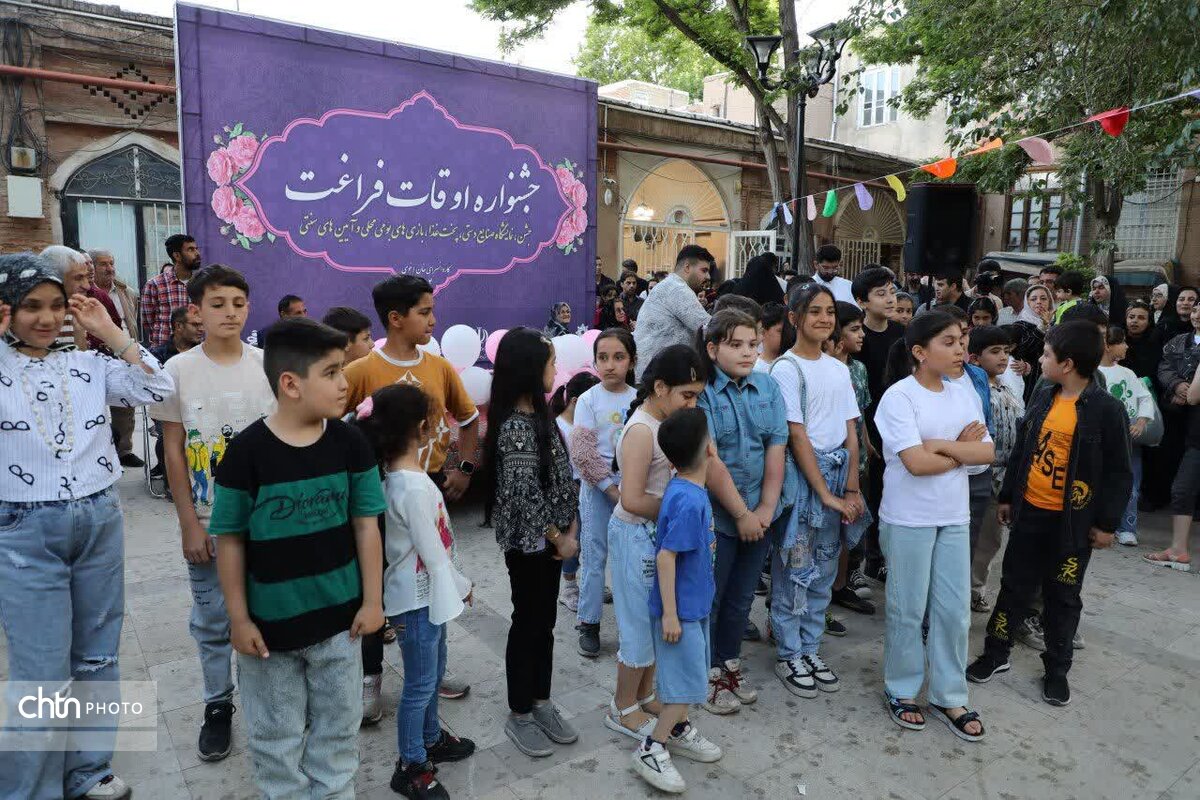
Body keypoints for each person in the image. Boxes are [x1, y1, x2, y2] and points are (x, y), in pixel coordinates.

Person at [0, 253, 174, 800]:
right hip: (24, 531)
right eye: (31, 306)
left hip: (99, 519)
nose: (47, 318)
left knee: (99, 655)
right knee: (40, 670)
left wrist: (112, 333)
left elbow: (161, 388)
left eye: (57, 306)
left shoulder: (89, 366)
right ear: (7, 310)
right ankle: (29, 789)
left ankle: (89, 771)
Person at [209, 318, 385, 798]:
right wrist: (238, 619)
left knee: (338, 735)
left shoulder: (351, 444)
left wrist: (373, 602)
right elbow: (229, 540)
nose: (345, 383)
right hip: (269, 636)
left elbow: (367, 526)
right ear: (290, 384)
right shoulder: (246, 454)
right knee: (275, 741)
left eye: (342, 369)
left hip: (341, 626)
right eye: (331, 372)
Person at [968, 321, 1132, 706]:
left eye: (1046, 354)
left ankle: (1057, 668)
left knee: (1063, 596)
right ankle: (996, 652)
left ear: (1067, 363)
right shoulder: (1044, 397)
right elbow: (1023, 450)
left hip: (1072, 526)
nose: (1039, 360)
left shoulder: (1107, 410)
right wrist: (1009, 497)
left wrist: (1107, 524)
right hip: (1030, 515)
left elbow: (1119, 472)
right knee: (1014, 586)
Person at [150, 265, 277, 763]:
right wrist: (188, 523)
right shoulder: (177, 370)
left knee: (264, 611)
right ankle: (218, 703)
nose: (230, 313)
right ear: (196, 310)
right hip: (207, 520)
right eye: (218, 304)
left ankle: (268, 702)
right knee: (211, 620)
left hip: (266, 520)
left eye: (238, 304)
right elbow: (174, 449)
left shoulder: (268, 365)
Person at [343, 275, 479, 715]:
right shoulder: (361, 370)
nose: (433, 320)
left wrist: (465, 468)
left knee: (431, 576)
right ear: (396, 318)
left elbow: (468, 420)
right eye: (425, 312)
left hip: (427, 489)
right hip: (374, 499)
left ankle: (431, 671)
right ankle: (370, 678)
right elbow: (331, 426)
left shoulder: (439, 368)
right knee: (375, 585)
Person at [355, 384, 477, 799]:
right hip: (416, 601)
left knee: (432, 672)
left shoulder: (403, 480)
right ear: (423, 428)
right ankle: (410, 764)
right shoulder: (410, 487)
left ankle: (430, 738)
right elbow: (433, 552)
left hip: (426, 597)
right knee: (421, 684)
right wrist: (460, 586)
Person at [876, 310, 992, 739]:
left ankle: (948, 693)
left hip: (954, 515)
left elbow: (986, 454)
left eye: (961, 340)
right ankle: (902, 689)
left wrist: (943, 446)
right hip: (909, 517)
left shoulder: (964, 393)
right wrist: (960, 449)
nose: (960, 349)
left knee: (954, 611)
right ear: (920, 352)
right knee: (907, 609)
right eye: (949, 342)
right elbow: (915, 464)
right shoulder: (899, 398)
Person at [482, 328, 581, 758]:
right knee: (528, 623)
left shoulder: (541, 417)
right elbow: (525, 497)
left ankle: (542, 701)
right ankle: (520, 711)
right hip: (531, 547)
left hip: (553, 544)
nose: (556, 369)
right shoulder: (515, 428)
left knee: (544, 623)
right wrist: (560, 538)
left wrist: (569, 531)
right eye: (550, 362)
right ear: (529, 368)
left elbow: (560, 480)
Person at [606, 348, 710, 749]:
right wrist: (677, 513)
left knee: (652, 623)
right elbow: (631, 498)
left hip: (656, 535)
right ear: (661, 387)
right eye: (687, 395)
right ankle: (622, 706)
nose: (692, 404)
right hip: (635, 537)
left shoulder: (667, 424)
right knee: (636, 627)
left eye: (697, 396)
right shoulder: (641, 431)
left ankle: (645, 695)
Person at [767, 286, 864, 700]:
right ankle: (789, 652)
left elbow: (851, 431)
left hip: (839, 478)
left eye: (829, 312)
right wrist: (824, 493)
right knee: (795, 569)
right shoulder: (786, 370)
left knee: (824, 567)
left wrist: (852, 487)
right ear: (794, 318)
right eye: (814, 312)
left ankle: (811, 647)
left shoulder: (838, 369)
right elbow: (796, 434)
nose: (824, 319)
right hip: (805, 484)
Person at [697, 309, 787, 714]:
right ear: (713, 348)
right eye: (736, 345)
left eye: (753, 344)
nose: (748, 352)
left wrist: (765, 508)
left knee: (742, 597)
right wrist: (741, 514)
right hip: (718, 518)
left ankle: (729, 662)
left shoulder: (768, 387)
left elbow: (776, 446)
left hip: (761, 515)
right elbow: (711, 460)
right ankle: (706, 672)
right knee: (711, 598)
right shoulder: (702, 392)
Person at [633, 407, 725, 793]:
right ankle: (652, 747)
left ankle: (678, 728)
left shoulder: (686, 489)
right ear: (709, 449)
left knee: (691, 675)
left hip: (692, 605)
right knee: (683, 685)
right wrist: (670, 614)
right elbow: (666, 556)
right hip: (681, 612)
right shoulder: (689, 500)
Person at [569, 329, 637, 658]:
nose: (610, 365)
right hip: (599, 490)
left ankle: (632, 625)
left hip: (633, 487)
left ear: (632, 361)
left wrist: (632, 488)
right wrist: (610, 489)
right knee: (595, 557)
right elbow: (583, 453)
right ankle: (589, 621)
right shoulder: (588, 399)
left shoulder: (639, 399)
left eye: (618, 357)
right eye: (603, 357)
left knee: (630, 558)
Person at [852, 266, 904, 583]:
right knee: (868, 492)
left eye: (892, 292)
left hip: (897, 423)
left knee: (890, 491)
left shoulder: (901, 333)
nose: (889, 299)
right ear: (862, 301)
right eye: (881, 294)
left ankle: (882, 556)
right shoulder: (857, 336)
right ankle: (867, 558)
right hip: (866, 424)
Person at [967, 326, 1023, 613]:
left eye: (1006, 351)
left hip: (1004, 476)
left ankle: (976, 588)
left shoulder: (1007, 388)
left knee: (990, 539)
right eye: (995, 351)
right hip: (982, 474)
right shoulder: (973, 392)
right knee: (976, 537)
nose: (1003, 357)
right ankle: (968, 590)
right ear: (975, 358)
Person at [826, 301, 876, 619]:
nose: (862, 335)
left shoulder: (858, 369)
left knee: (849, 527)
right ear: (837, 335)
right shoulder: (825, 369)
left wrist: (867, 443)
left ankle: (840, 584)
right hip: (832, 460)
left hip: (858, 459)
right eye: (854, 329)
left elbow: (860, 414)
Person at [1098, 326, 1154, 547]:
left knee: (1131, 485)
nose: (1126, 346)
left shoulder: (1128, 373)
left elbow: (1145, 397)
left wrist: (1141, 421)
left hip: (1128, 439)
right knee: (1098, 481)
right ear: (1107, 346)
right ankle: (1099, 525)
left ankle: (1127, 527)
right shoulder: (1092, 373)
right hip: (1100, 438)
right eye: (1122, 342)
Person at [550, 371, 600, 612]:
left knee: (593, 539)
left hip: (590, 490)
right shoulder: (558, 428)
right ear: (575, 401)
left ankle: (591, 581)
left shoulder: (586, 424)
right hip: (570, 494)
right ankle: (569, 587)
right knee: (574, 540)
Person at [89, 249, 142, 466]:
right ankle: (96, 454)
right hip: (93, 357)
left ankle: (124, 451)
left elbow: (131, 322)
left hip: (122, 355)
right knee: (93, 406)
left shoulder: (126, 292)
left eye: (111, 263)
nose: (110, 268)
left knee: (125, 405)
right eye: (104, 264)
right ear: (91, 267)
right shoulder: (85, 293)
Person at [634, 245, 713, 380]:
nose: (708, 276)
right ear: (687, 267)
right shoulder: (677, 289)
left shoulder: (670, 285)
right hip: (656, 378)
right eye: (704, 270)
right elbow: (709, 328)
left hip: (655, 374)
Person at [148, 306, 204, 479]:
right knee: (168, 436)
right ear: (178, 326)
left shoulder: (207, 353)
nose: (201, 329)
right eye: (195, 325)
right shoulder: (158, 355)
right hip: (169, 410)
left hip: (203, 408)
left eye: (202, 324)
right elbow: (153, 391)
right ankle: (171, 480)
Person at [142, 233, 200, 348]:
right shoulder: (155, 284)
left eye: (196, 249)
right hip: (164, 351)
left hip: (195, 349)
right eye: (190, 249)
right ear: (177, 256)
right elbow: (148, 322)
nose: (197, 253)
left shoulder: (202, 283)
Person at [1010, 284, 1056, 399]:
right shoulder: (1019, 326)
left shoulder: (1055, 326)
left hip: (1051, 380)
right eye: (1034, 299)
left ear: (1050, 302)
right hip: (1028, 380)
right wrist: (1042, 327)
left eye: (1043, 298)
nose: (1039, 302)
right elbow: (1022, 350)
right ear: (1027, 303)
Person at [754, 301, 792, 373]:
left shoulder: (792, 362)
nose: (786, 334)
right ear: (763, 333)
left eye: (788, 330)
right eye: (780, 331)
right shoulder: (756, 369)